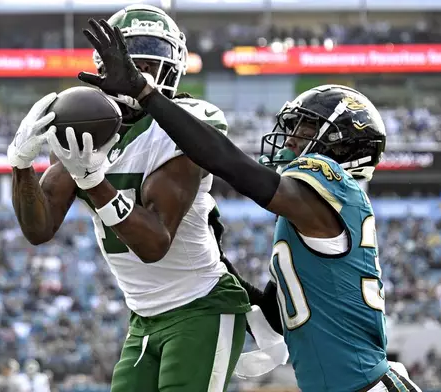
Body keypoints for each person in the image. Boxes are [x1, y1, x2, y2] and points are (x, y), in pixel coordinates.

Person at [78, 21, 423, 392]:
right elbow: (278, 314)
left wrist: (147, 94)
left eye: (305, 129)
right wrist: (220, 265)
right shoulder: (310, 220)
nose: (289, 139)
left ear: (342, 146)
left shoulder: (330, 181)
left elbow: (237, 169)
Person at [8, 5, 250, 392]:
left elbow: (154, 242)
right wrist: (20, 164)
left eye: (145, 68)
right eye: (125, 66)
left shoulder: (186, 126)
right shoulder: (86, 128)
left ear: (170, 72)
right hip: (143, 317)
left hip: (200, 306)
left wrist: (93, 180)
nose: (131, 78)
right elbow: (39, 229)